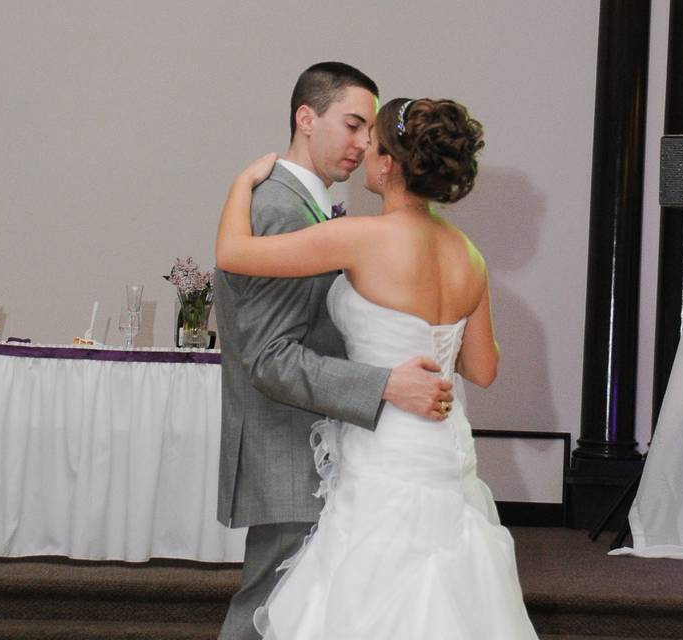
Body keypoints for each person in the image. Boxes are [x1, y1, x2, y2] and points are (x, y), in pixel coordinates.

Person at [216, 97, 538, 638]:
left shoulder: (361, 239)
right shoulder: (469, 255)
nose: (364, 147)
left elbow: (232, 253)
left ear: (388, 165)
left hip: (385, 446)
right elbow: (482, 369)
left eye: (375, 143)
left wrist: (240, 185)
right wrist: (435, 337)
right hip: (443, 451)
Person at [213, 64, 455, 640]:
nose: (363, 144)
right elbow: (269, 358)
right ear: (305, 118)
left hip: (322, 450)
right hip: (291, 450)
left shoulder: (310, 209)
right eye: (351, 125)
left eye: (369, 132)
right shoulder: (278, 208)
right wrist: (384, 384)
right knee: (265, 618)